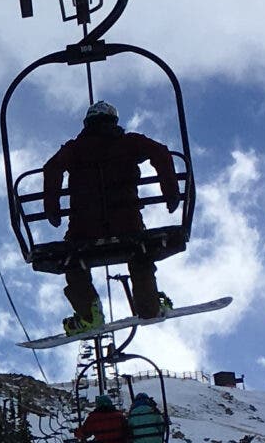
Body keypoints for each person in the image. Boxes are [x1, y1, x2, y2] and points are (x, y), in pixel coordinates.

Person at [42, 100, 183, 329]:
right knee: (141, 253)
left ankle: (89, 314)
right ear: (113, 121)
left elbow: (52, 169)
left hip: (83, 229)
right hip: (127, 224)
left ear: (87, 122)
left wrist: (53, 210)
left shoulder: (74, 149)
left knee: (72, 261)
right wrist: (171, 192)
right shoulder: (129, 143)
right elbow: (160, 153)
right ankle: (148, 306)